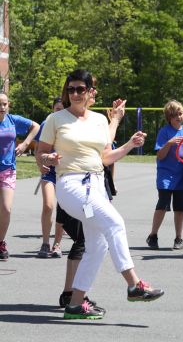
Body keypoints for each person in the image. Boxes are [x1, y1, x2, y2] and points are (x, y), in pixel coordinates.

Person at [36, 69, 164, 320]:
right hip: (71, 185)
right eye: (70, 89)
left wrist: (129, 145)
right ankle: (134, 284)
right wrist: (47, 158)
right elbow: (39, 153)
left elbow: (105, 158)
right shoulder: (56, 119)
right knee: (115, 223)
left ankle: (74, 303)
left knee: (98, 245)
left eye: (80, 89)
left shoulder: (99, 120)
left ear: (89, 92)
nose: (74, 94)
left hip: (96, 185)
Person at [58, 90, 126, 312]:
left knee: (93, 241)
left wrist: (114, 119)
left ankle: (75, 297)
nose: (95, 91)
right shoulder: (67, 118)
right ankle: (71, 295)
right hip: (77, 189)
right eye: (92, 87)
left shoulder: (95, 119)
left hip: (94, 186)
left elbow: (106, 146)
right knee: (85, 240)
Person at [146, 100, 183, 250]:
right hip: (166, 176)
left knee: (180, 208)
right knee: (163, 205)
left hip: (182, 175)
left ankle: (178, 238)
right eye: (175, 115)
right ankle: (153, 235)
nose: (179, 117)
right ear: (169, 117)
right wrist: (169, 143)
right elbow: (160, 155)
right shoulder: (164, 132)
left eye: (180, 114)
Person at [0, 92, 40, 260]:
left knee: (6, 209)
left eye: (4, 104)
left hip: (7, 170)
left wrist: (24, 144)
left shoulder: (13, 120)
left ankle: (0, 242)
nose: (2, 107)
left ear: (8, 105)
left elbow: (36, 126)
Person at [34, 97, 64, 258]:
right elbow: (37, 151)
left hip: (66, 171)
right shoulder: (47, 124)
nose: (59, 112)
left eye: (62, 109)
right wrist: (41, 165)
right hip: (49, 172)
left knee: (63, 208)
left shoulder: (70, 124)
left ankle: (57, 244)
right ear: (52, 109)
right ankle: (45, 242)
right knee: (48, 205)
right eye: (57, 109)